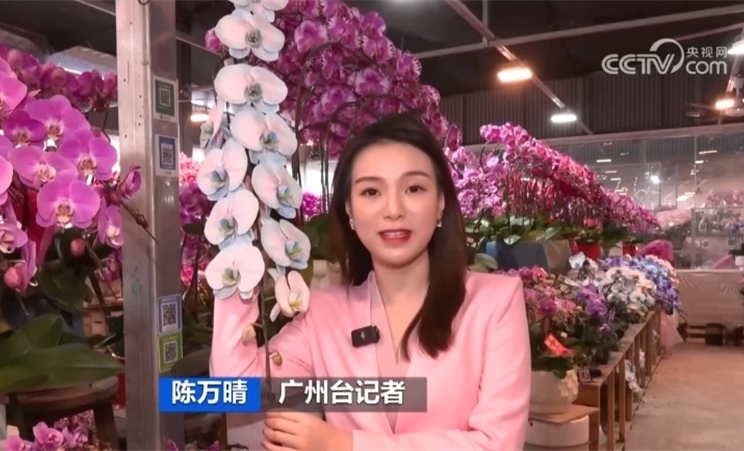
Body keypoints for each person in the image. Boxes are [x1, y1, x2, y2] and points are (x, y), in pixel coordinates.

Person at [210, 114, 531, 450]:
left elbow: (497, 444)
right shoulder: (323, 314)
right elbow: (237, 391)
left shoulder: (494, 304)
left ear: (441, 203)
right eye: (371, 191)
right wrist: (239, 256)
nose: (393, 209)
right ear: (349, 209)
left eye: (414, 188)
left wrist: (343, 445)